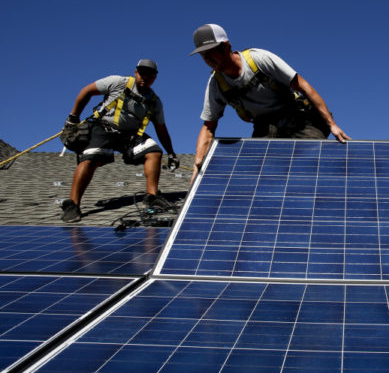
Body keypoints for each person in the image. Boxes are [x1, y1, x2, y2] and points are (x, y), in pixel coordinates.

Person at [189, 23, 350, 179]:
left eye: (210, 52)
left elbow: (304, 86)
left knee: (312, 161)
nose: (207, 59)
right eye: (203, 55)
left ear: (225, 46)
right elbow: (209, 127)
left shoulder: (258, 59)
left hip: (296, 117)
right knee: (264, 175)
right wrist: (198, 161)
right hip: (265, 127)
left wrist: (331, 124)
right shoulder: (216, 84)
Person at [60, 59, 179, 223]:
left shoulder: (154, 101)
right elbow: (86, 91)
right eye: (142, 73)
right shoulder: (118, 83)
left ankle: (152, 196)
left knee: (154, 152)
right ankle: (73, 205)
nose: (145, 77)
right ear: (136, 72)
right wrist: (73, 117)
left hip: (129, 137)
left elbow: (161, 129)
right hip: (103, 129)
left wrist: (171, 153)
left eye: (150, 75)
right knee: (91, 158)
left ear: (155, 77)